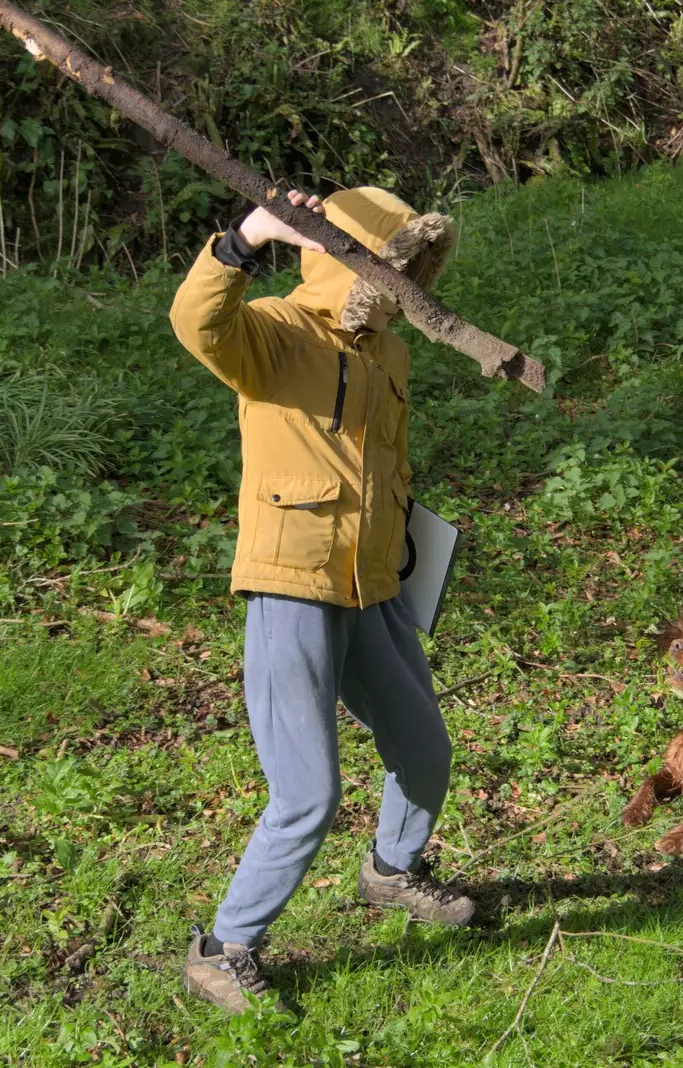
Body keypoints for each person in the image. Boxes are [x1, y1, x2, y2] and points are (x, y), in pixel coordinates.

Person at [168, 186, 473, 1014]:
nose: (406, 280)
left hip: (372, 587)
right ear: (349, 259)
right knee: (307, 792)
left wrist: (411, 561)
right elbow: (198, 323)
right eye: (393, 261)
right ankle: (224, 948)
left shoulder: (391, 357)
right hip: (291, 583)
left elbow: (391, 472)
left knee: (425, 750)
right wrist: (241, 241)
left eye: (414, 263)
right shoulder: (275, 331)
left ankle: (392, 869)